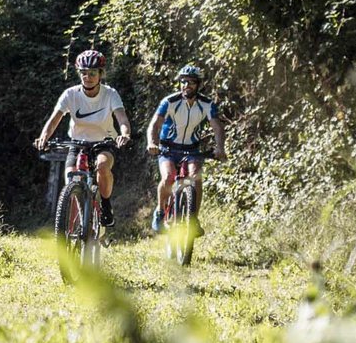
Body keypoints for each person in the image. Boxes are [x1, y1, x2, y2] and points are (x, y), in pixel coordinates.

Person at [34, 49, 133, 226]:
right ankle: (76, 222)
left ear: (101, 74)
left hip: (104, 142)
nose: (87, 77)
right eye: (83, 73)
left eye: (92, 73)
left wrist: (124, 134)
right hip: (77, 143)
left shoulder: (110, 94)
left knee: (102, 166)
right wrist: (43, 137)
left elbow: (122, 118)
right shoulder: (70, 94)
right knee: (70, 179)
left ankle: (106, 204)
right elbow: (54, 119)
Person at [146, 64, 226, 231]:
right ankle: (160, 211)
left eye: (191, 82)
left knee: (196, 178)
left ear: (198, 85)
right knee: (168, 177)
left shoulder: (206, 104)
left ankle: (193, 219)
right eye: (183, 81)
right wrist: (152, 143)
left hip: (192, 149)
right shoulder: (169, 102)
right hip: (168, 149)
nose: (186, 85)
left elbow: (217, 127)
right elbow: (155, 124)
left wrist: (220, 148)